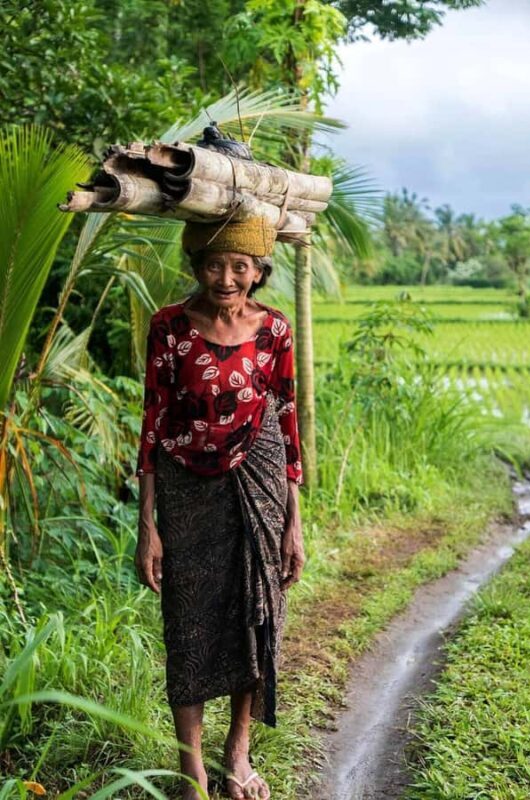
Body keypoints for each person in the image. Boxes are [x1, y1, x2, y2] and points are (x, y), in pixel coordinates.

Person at [134, 216, 306, 800]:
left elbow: (287, 424)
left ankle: (237, 754)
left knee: (253, 614)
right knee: (188, 621)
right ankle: (193, 774)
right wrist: (147, 526)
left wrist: (294, 524)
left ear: (260, 271)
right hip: (186, 488)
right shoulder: (169, 327)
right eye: (214, 264)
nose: (227, 277)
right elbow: (153, 423)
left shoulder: (274, 330)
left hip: (258, 484)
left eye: (240, 266)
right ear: (197, 266)